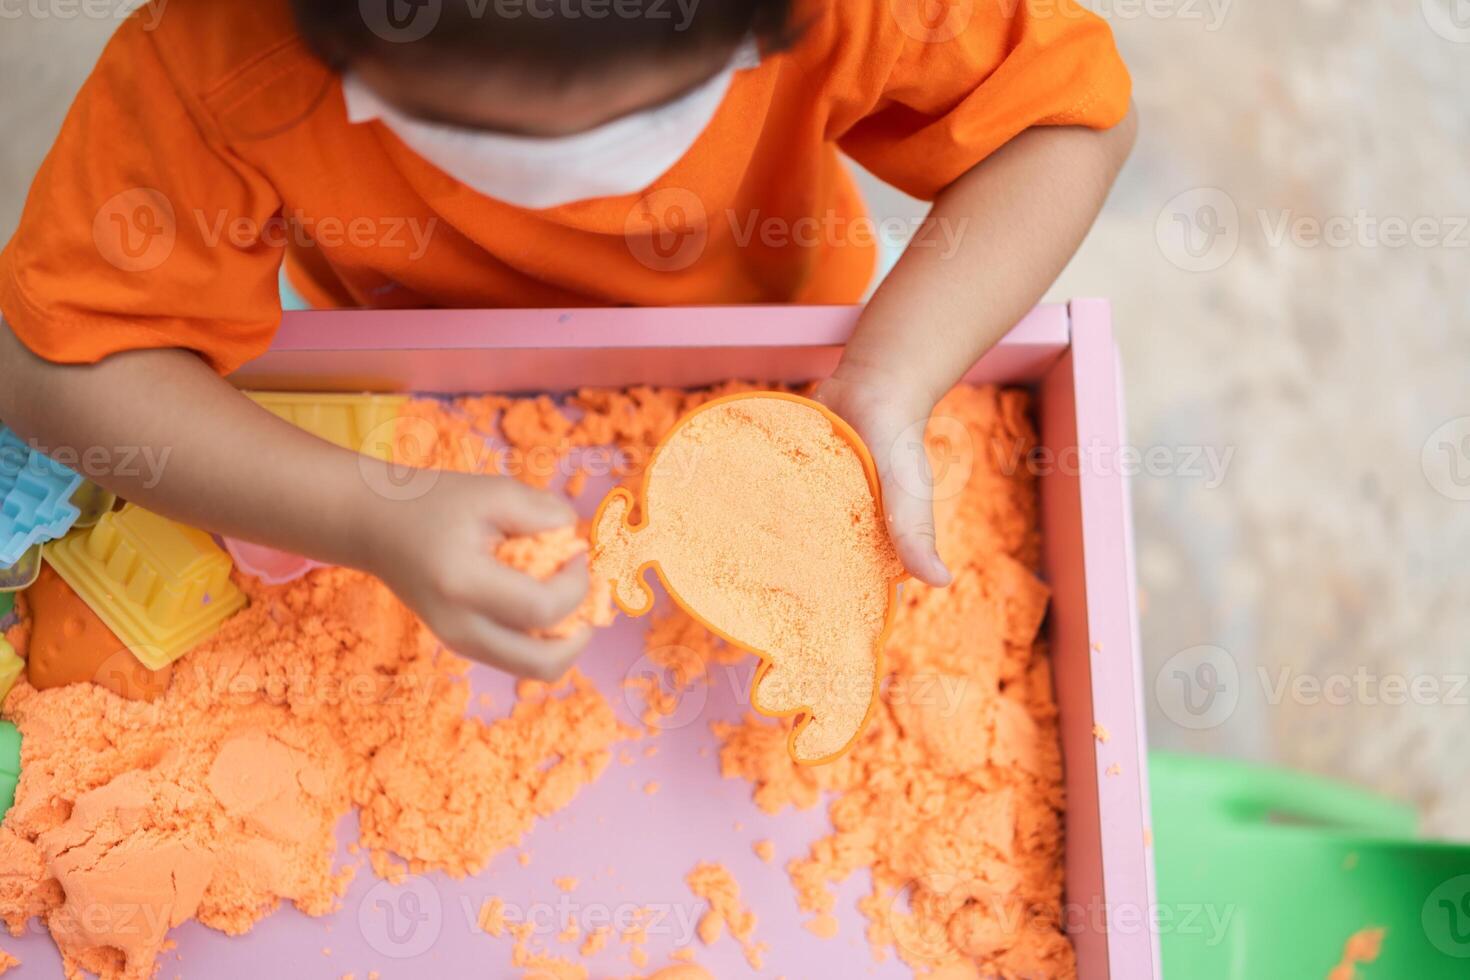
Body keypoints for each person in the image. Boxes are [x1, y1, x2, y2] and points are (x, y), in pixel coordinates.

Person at [0, 0, 1136, 679]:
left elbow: (1069, 118)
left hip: (772, 318)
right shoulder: (217, 56)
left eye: (662, 115)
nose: (587, 193)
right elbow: (53, 361)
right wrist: (364, 511)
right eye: (467, 138)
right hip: (417, 364)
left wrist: (896, 369)